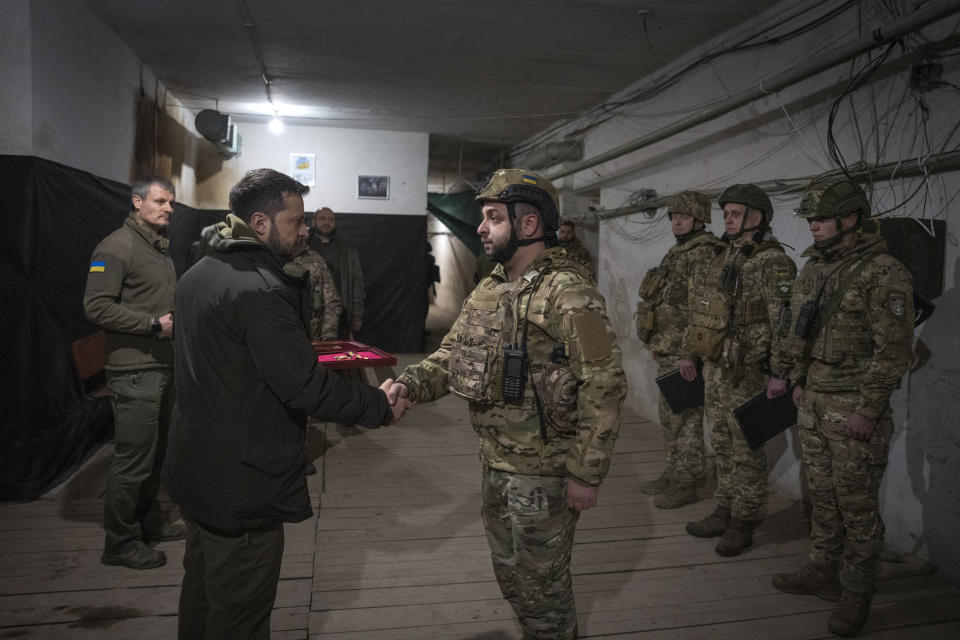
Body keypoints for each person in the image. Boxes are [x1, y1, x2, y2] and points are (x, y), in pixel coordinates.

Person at [164, 168, 408, 640]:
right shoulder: (260, 290)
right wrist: (377, 405)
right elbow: (304, 387)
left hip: (197, 472)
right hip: (242, 481)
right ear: (259, 223)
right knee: (240, 616)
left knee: (200, 598)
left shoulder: (198, 274)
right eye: (295, 222)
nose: (304, 231)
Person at [390, 169, 626, 639]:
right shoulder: (490, 287)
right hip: (495, 465)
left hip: (545, 473)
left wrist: (586, 472)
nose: (482, 228)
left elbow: (604, 383)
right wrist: (407, 387)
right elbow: (452, 356)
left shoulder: (567, 291)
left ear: (530, 225)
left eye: (494, 217)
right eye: (485, 218)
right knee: (511, 577)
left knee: (544, 590)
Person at [766, 179, 914, 637]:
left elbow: (893, 351)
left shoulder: (884, 272)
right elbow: (797, 329)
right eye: (810, 220)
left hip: (852, 408)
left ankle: (856, 591)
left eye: (822, 219)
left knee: (857, 506)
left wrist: (869, 410)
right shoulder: (813, 271)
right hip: (812, 401)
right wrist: (793, 378)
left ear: (851, 219)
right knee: (823, 498)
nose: (814, 226)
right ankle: (822, 569)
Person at [680, 183, 796, 557]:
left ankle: (745, 519)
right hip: (718, 366)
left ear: (756, 217)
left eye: (735, 214)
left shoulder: (771, 261)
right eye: (726, 214)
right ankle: (725, 507)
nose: (727, 220)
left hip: (749, 370)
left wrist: (780, 372)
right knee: (723, 442)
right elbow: (703, 309)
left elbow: (784, 323)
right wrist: (691, 353)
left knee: (745, 445)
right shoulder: (723, 256)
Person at [83, 175, 183, 570]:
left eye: (171, 202)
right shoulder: (116, 246)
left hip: (160, 366)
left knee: (155, 454)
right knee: (133, 460)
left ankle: (148, 523)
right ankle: (120, 543)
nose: (168, 208)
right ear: (137, 202)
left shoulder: (155, 246)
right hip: (134, 371)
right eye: (160, 201)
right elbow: (96, 307)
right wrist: (153, 325)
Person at [635, 191, 722, 509]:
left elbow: (704, 307)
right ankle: (674, 473)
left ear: (700, 219)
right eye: (673, 217)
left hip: (685, 352)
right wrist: (659, 341)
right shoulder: (679, 251)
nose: (677, 221)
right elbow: (668, 302)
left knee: (685, 417)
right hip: (669, 348)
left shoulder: (703, 253)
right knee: (670, 416)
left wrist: (690, 353)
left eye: (683, 217)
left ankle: (687, 481)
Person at [307, 206, 365, 339]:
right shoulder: (303, 245)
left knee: (336, 354)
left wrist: (357, 315)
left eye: (331, 219)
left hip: (340, 315)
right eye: (322, 218)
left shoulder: (346, 248)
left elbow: (357, 282)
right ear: (314, 221)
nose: (327, 222)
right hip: (309, 314)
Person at [285, 247, 341, 340]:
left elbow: (332, 302)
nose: (304, 233)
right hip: (286, 334)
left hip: (314, 336)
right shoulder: (274, 258)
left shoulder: (315, 259)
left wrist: (328, 336)